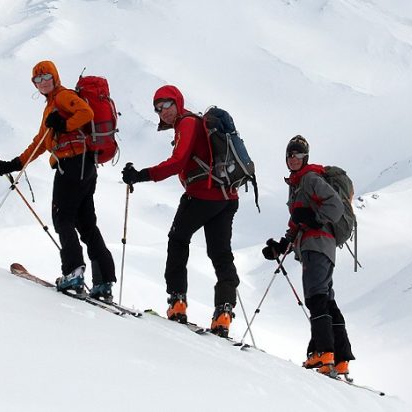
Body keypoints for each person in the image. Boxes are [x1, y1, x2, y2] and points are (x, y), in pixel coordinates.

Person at [0, 60, 116, 301]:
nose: (42, 82)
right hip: (85, 166)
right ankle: (104, 281)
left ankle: (73, 272)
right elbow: (42, 140)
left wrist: (65, 124)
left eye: (46, 77)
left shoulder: (62, 97)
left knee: (62, 218)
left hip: (72, 164)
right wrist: (15, 163)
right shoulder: (51, 106)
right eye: (37, 80)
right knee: (86, 224)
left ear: (55, 77)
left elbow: (86, 113)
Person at [122, 85, 240, 337]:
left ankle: (177, 302)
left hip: (202, 195)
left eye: (166, 105)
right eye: (158, 108)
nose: (162, 112)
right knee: (220, 254)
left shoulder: (187, 123)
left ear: (178, 102)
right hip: (226, 196)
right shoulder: (196, 123)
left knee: (177, 240)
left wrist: (140, 175)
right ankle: (224, 313)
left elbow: (177, 162)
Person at [262, 135, 355, 377]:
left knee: (316, 298)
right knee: (326, 299)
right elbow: (298, 220)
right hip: (317, 246)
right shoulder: (298, 184)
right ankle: (340, 357)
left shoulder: (310, 179)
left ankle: (324, 353)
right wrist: (282, 245)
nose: (294, 159)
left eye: (298, 155)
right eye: (290, 155)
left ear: (306, 158)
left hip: (318, 244)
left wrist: (314, 219)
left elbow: (333, 206)